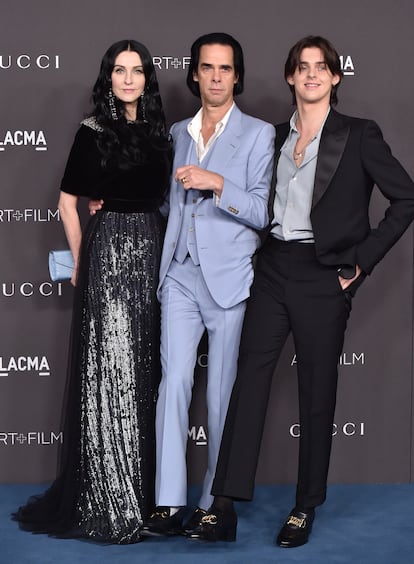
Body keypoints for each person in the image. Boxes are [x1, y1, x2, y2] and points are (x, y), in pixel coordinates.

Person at [190, 35, 414, 546]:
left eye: (321, 67)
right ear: (290, 77)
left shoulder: (359, 135)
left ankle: (304, 506)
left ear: (335, 77)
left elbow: (406, 199)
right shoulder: (268, 137)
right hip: (272, 268)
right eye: (302, 67)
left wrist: (360, 263)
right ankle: (223, 505)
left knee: (317, 395)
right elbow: (243, 198)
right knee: (249, 383)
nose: (311, 74)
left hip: (323, 274)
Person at [13, 39, 172, 544]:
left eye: (137, 71)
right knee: (110, 373)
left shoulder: (161, 134)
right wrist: (82, 261)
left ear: (148, 77)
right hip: (107, 256)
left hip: (152, 249)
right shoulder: (93, 131)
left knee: (140, 372)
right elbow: (67, 202)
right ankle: (107, 499)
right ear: (108, 77)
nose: (128, 79)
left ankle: (139, 498)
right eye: (119, 71)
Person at [137, 32, 275, 538]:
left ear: (237, 75)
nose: (215, 77)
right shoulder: (176, 133)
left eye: (225, 69)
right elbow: (162, 203)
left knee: (220, 394)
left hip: (230, 278)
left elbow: (262, 211)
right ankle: (168, 503)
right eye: (207, 68)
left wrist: (217, 184)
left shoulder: (259, 134)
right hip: (179, 273)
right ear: (194, 74)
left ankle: (217, 502)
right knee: (172, 383)